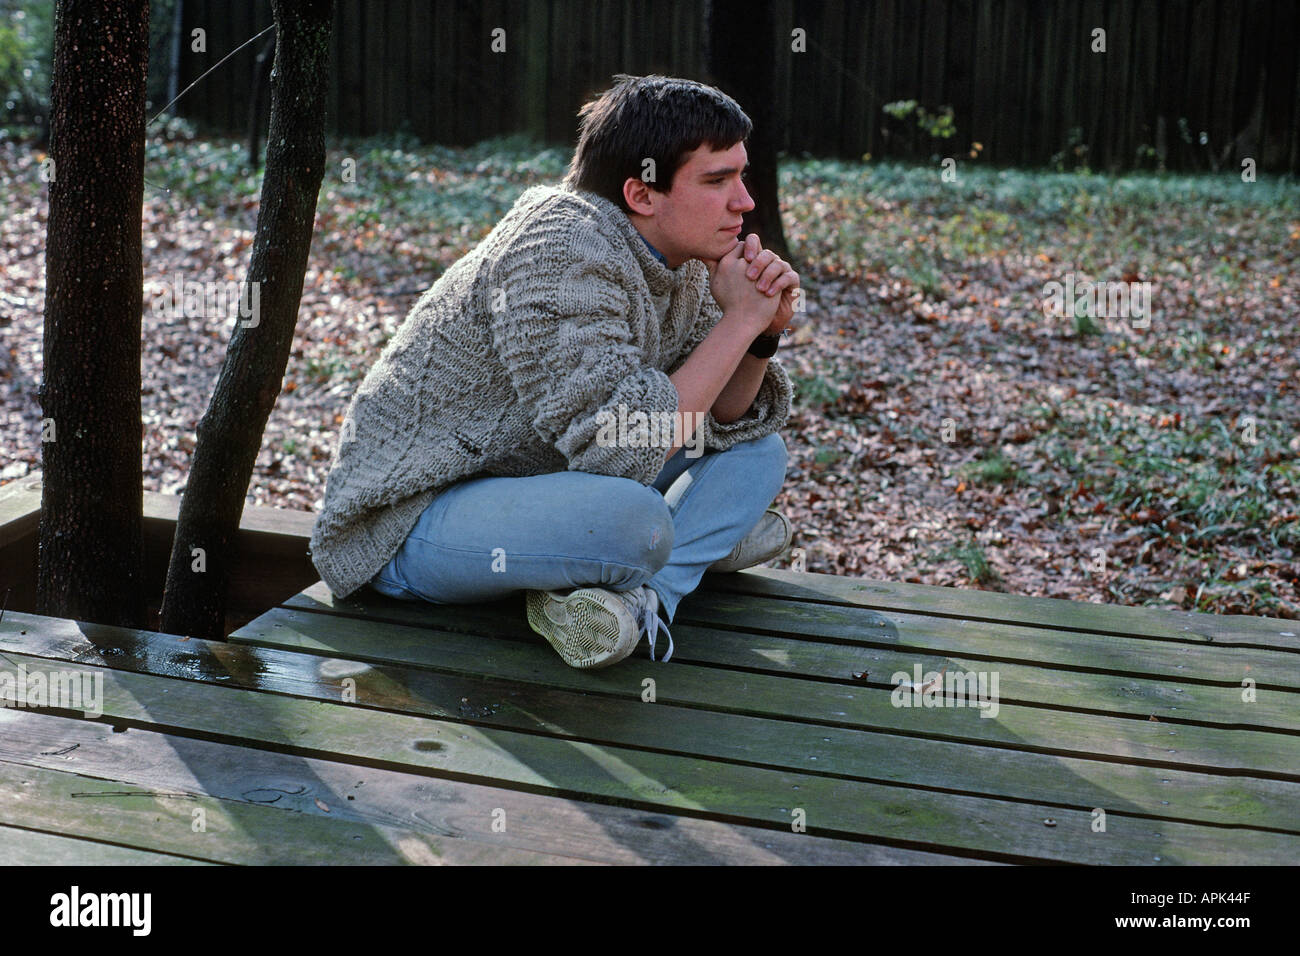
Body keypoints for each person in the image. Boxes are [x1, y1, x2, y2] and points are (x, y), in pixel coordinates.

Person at [308, 73, 800, 670]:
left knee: (759, 453)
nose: (744, 201)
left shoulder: (682, 257)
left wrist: (759, 334)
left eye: (741, 176)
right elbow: (622, 449)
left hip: (548, 481)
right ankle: (680, 547)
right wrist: (736, 324)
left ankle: (637, 604)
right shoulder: (558, 249)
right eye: (718, 181)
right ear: (642, 195)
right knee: (638, 523)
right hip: (411, 520)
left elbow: (725, 415)